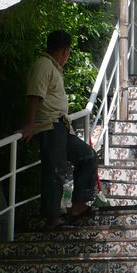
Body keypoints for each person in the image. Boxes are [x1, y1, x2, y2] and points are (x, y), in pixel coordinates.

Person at [21, 29, 98, 229]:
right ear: (65, 51)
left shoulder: (52, 68)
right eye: (68, 52)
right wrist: (29, 124)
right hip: (49, 126)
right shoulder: (44, 65)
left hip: (62, 127)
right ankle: (52, 217)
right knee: (55, 169)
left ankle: (78, 205)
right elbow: (35, 95)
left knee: (88, 156)